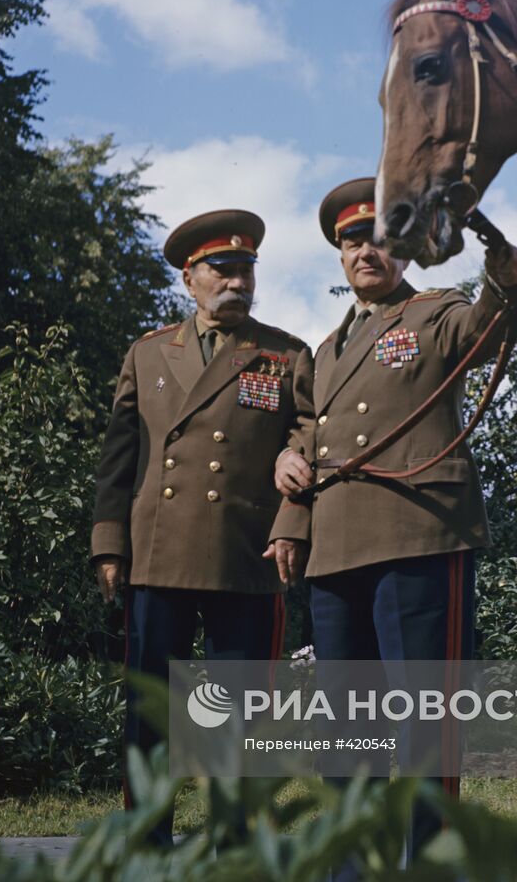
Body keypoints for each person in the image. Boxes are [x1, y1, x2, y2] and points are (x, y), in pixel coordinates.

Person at [275, 177, 517, 870]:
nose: (367, 251)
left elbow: (487, 328)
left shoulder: (432, 313)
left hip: (420, 535)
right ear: (339, 253)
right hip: (335, 550)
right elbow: (308, 435)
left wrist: (503, 281)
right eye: (353, 241)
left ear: (402, 250)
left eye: (380, 239)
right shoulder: (323, 351)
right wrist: (286, 471)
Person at [91, 208, 312, 845]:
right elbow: (119, 455)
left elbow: (310, 443)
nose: (236, 280)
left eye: (245, 269)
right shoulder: (150, 352)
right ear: (191, 279)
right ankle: (147, 836)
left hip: (245, 556)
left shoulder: (284, 354)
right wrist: (109, 542)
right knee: (151, 711)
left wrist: (291, 524)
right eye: (222, 270)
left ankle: (236, 842)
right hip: (157, 554)